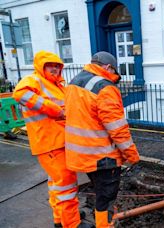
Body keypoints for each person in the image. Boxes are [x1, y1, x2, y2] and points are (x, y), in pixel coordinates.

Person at [12, 51, 88, 228]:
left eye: (57, 65)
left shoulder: (57, 85)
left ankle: (61, 218)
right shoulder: (34, 80)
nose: (54, 68)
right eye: (50, 65)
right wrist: (56, 110)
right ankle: (72, 223)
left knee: (58, 184)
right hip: (50, 142)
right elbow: (20, 94)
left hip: (58, 142)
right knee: (67, 184)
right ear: (41, 66)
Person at [65, 51, 140, 228]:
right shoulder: (105, 87)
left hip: (81, 155)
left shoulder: (74, 82)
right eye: (114, 73)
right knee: (106, 200)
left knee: (99, 193)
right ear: (107, 67)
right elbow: (117, 128)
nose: (114, 78)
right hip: (102, 157)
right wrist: (132, 155)